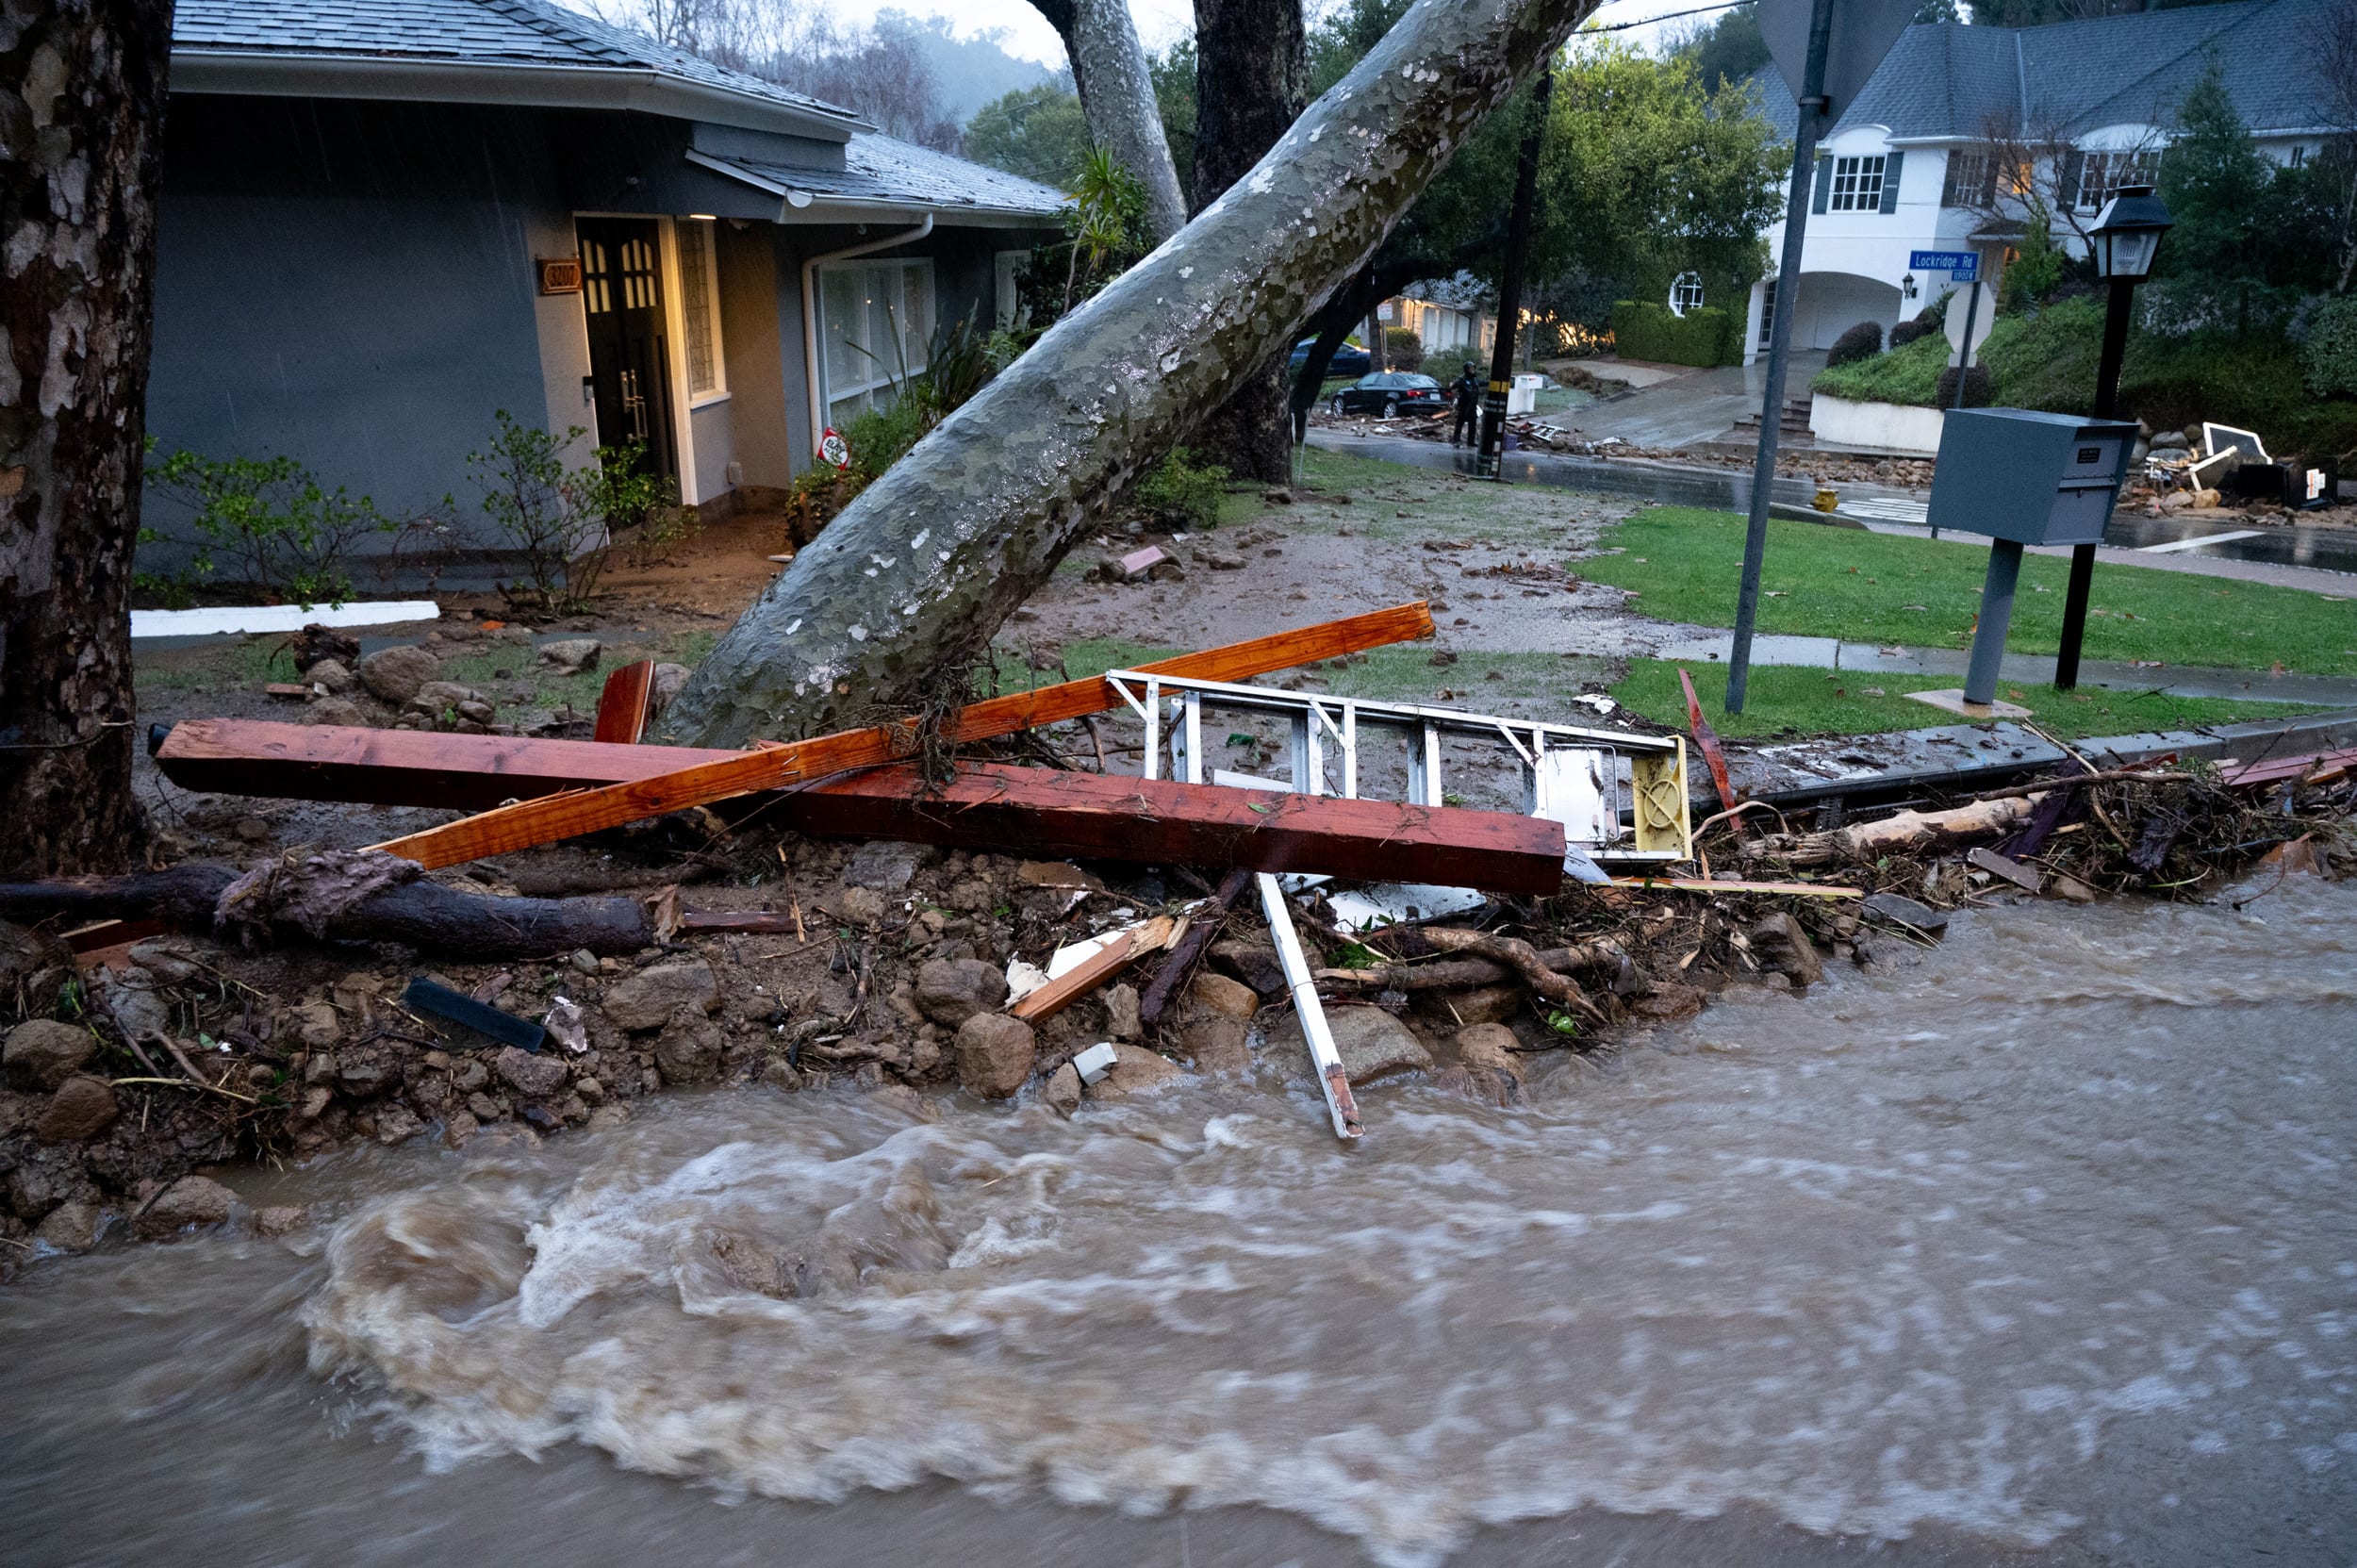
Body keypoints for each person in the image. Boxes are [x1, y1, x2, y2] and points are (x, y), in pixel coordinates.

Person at [1450, 364, 1480, 447]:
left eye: (1473, 368)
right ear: (1466, 369)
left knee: (1473, 424)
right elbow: (1454, 386)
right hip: (1464, 404)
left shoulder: (1475, 379)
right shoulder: (1462, 379)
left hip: (1473, 405)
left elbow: (1481, 384)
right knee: (1460, 422)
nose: (1472, 370)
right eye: (1470, 368)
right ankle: (1456, 439)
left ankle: (1471, 441)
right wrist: (1452, 384)